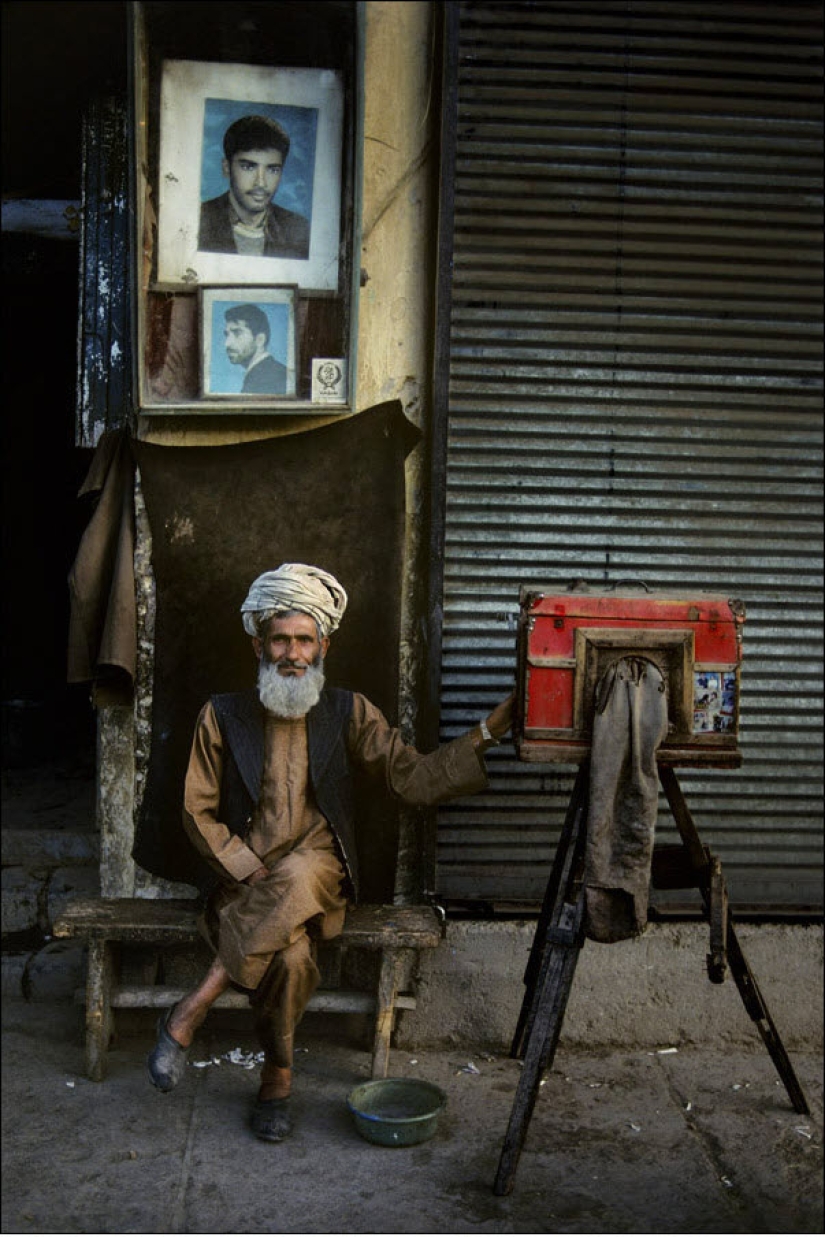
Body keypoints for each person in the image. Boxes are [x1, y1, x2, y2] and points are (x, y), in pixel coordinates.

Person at [147, 563, 514, 1142]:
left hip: (322, 882)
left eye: (305, 640)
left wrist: (486, 734)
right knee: (290, 960)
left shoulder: (349, 711)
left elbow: (412, 780)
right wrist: (243, 865)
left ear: (324, 644)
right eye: (280, 639)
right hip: (244, 887)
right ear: (258, 643)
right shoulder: (221, 715)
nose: (293, 653)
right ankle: (278, 1078)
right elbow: (196, 810)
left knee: (301, 870)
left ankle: (191, 1009)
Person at [198, 114, 310, 259]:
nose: (261, 183)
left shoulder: (299, 230)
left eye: (272, 170)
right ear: (226, 168)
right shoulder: (198, 219)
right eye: (248, 167)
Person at [223, 303, 287, 395]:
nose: (227, 343)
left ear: (260, 340)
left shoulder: (264, 381)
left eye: (237, 333)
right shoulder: (274, 373)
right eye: (227, 335)